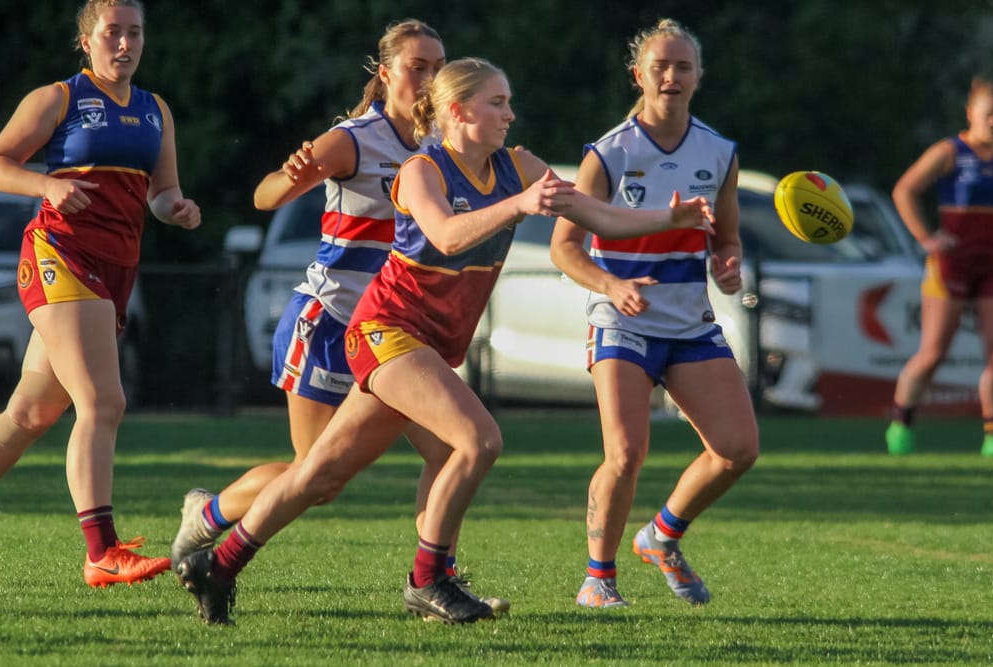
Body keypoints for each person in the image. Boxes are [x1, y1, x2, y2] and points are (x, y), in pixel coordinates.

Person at [173, 56, 714, 625]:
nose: (511, 113)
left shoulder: (518, 166)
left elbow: (596, 213)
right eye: (497, 103)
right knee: (477, 440)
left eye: (508, 102)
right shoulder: (421, 169)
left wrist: (666, 218)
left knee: (319, 475)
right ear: (457, 111)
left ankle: (221, 565)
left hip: (425, 345)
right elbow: (447, 235)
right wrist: (518, 205)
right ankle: (429, 580)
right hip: (386, 330)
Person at [168, 18, 507, 613]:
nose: (428, 77)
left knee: (449, 449)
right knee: (315, 478)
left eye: (437, 66)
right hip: (330, 322)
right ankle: (212, 512)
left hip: (398, 334)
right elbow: (265, 195)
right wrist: (293, 172)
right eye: (416, 66)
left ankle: (434, 578)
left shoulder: (441, 146)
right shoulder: (356, 138)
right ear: (386, 74)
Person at [549, 18, 758, 609]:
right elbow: (564, 247)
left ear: (698, 77)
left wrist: (727, 264)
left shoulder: (719, 152)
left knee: (738, 449)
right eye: (660, 66)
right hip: (622, 323)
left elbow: (727, 238)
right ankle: (598, 579)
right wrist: (611, 285)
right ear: (637, 75)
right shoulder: (610, 153)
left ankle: (662, 536)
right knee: (625, 453)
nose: (671, 76)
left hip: (689, 324)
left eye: (683, 66)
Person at [0, 0, 199, 587]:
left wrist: (176, 210)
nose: (125, 44)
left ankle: (102, 548)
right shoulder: (58, 98)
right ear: (86, 41)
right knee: (104, 403)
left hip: (115, 270)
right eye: (112, 32)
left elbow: (163, 192)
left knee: (30, 414)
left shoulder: (155, 110)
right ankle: (102, 550)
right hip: (61, 255)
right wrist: (44, 185)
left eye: (135, 33)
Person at [885, 76, 993, 457]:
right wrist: (927, 239)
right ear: (971, 114)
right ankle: (901, 424)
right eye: (990, 113)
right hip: (952, 264)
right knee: (933, 353)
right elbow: (904, 190)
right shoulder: (951, 151)